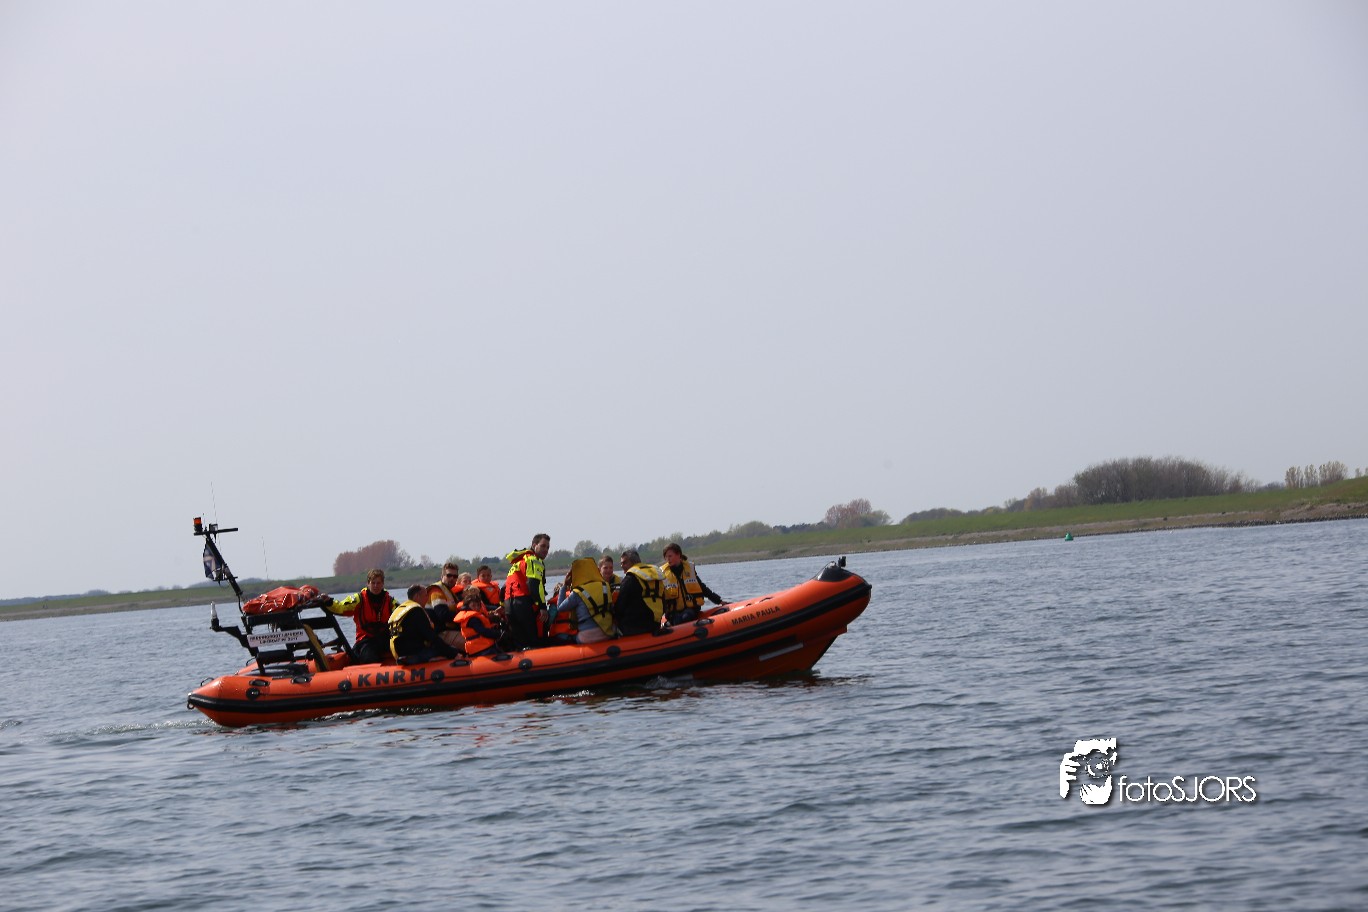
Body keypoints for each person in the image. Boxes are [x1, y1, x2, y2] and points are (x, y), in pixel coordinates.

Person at [324, 568, 396, 664]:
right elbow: (341, 608)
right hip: (365, 640)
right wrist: (329, 601)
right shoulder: (359, 599)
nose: (376, 586)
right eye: (373, 583)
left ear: (383, 584)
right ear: (368, 583)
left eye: (378, 583)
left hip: (384, 639)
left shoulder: (390, 601)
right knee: (368, 656)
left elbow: (402, 614)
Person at [388, 585, 459, 664]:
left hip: (398, 653)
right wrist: (452, 653)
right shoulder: (416, 610)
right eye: (426, 595)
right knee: (452, 650)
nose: (427, 598)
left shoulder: (401, 609)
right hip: (413, 653)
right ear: (417, 596)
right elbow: (431, 636)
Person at [552, 556, 616, 643]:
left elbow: (560, 608)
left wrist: (564, 585)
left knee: (560, 636)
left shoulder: (577, 593)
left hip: (586, 638)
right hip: (608, 634)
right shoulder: (606, 586)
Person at [504, 533, 550, 649]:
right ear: (534, 545)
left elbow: (504, 588)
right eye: (543, 546)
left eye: (547, 547)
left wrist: (501, 605)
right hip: (522, 604)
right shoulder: (534, 560)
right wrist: (542, 607)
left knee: (520, 642)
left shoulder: (518, 562)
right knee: (532, 639)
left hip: (509, 605)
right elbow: (533, 584)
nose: (546, 550)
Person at [660, 542, 725, 624]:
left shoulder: (689, 570)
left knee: (686, 617)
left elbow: (702, 588)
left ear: (678, 555)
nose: (668, 559)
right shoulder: (663, 574)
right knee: (677, 620)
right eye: (666, 557)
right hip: (673, 612)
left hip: (691, 609)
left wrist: (719, 601)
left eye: (670, 556)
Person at [615, 548, 665, 635]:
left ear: (633, 562)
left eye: (624, 563)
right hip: (655, 624)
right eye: (621, 563)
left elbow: (620, 606)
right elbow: (663, 599)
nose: (622, 566)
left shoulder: (629, 579)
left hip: (634, 627)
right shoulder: (656, 577)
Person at [453, 586, 504, 657]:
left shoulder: (474, 615)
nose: (476, 607)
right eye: (473, 605)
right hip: (480, 648)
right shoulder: (472, 619)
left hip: (484, 646)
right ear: (467, 606)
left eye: (478, 605)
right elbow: (483, 631)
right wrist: (499, 634)